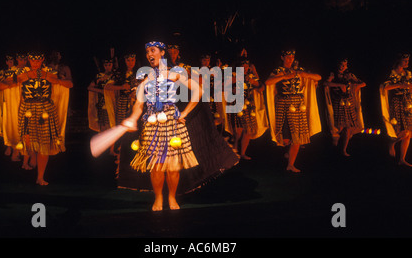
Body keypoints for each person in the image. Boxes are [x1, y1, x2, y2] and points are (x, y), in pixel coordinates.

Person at [118, 41, 239, 211]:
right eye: (147, 52)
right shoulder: (146, 80)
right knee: (156, 166)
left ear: (162, 53)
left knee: (173, 166)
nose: (149, 55)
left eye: (152, 51)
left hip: (172, 123)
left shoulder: (173, 74)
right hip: (152, 124)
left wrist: (185, 113)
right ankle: (158, 198)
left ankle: (172, 197)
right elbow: (139, 103)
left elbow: (197, 91)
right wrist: (133, 117)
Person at [0, 51, 73, 184]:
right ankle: (29, 161)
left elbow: (69, 84)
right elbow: (1, 85)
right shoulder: (22, 72)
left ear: (42, 59)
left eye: (38, 61)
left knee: (44, 144)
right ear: (29, 59)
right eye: (33, 61)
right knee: (28, 142)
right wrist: (22, 78)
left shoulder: (49, 71)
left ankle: (40, 177)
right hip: (27, 110)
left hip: (45, 109)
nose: (35, 63)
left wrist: (53, 79)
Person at [265, 49, 322, 172]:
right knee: (286, 139)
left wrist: (305, 75)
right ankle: (288, 153)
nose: (290, 59)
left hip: (297, 105)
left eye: (292, 57)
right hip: (284, 105)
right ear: (282, 57)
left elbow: (319, 77)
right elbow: (268, 82)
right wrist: (284, 76)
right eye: (288, 57)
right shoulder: (278, 71)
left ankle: (290, 164)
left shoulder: (298, 70)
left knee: (298, 137)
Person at [224, 58, 268, 159]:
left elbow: (262, 87)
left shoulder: (251, 76)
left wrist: (255, 83)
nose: (245, 68)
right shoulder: (233, 75)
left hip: (249, 105)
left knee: (248, 131)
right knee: (238, 131)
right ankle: (234, 152)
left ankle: (243, 153)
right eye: (243, 66)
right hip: (236, 103)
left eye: (247, 66)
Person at [324, 58, 366, 156]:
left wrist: (357, 86)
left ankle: (344, 150)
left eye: (344, 65)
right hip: (338, 102)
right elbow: (326, 83)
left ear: (346, 66)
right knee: (339, 127)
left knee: (349, 127)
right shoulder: (333, 74)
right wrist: (339, 85)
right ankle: (335, 142)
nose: (342, 67)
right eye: (340, 64)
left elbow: (363, 83)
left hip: (349, 102)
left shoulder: (349, 75)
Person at [380, 53, 412, 166]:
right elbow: (385, 87)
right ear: (399, 61)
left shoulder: (408, 73)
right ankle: (391, 144)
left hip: (408, 103)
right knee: (403, 131)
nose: (407, 63)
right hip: (397, 103)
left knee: (409, 133)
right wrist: (399, 85)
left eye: (408, 60)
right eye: (405, 61)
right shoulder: (393, 73)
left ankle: (402, 159)